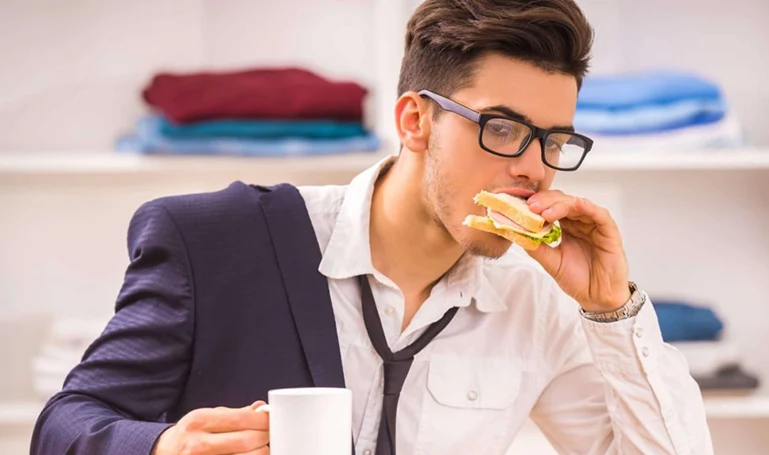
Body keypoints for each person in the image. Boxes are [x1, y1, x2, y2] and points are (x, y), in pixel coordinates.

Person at [30, 0, 713, 454]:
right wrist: (161, 446)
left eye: (554, 140)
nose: (534, 168)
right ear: (415, 120)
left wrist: (611, 310)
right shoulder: (215, 239)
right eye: (502, 128)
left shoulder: (536, 302)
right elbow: (64, 424)